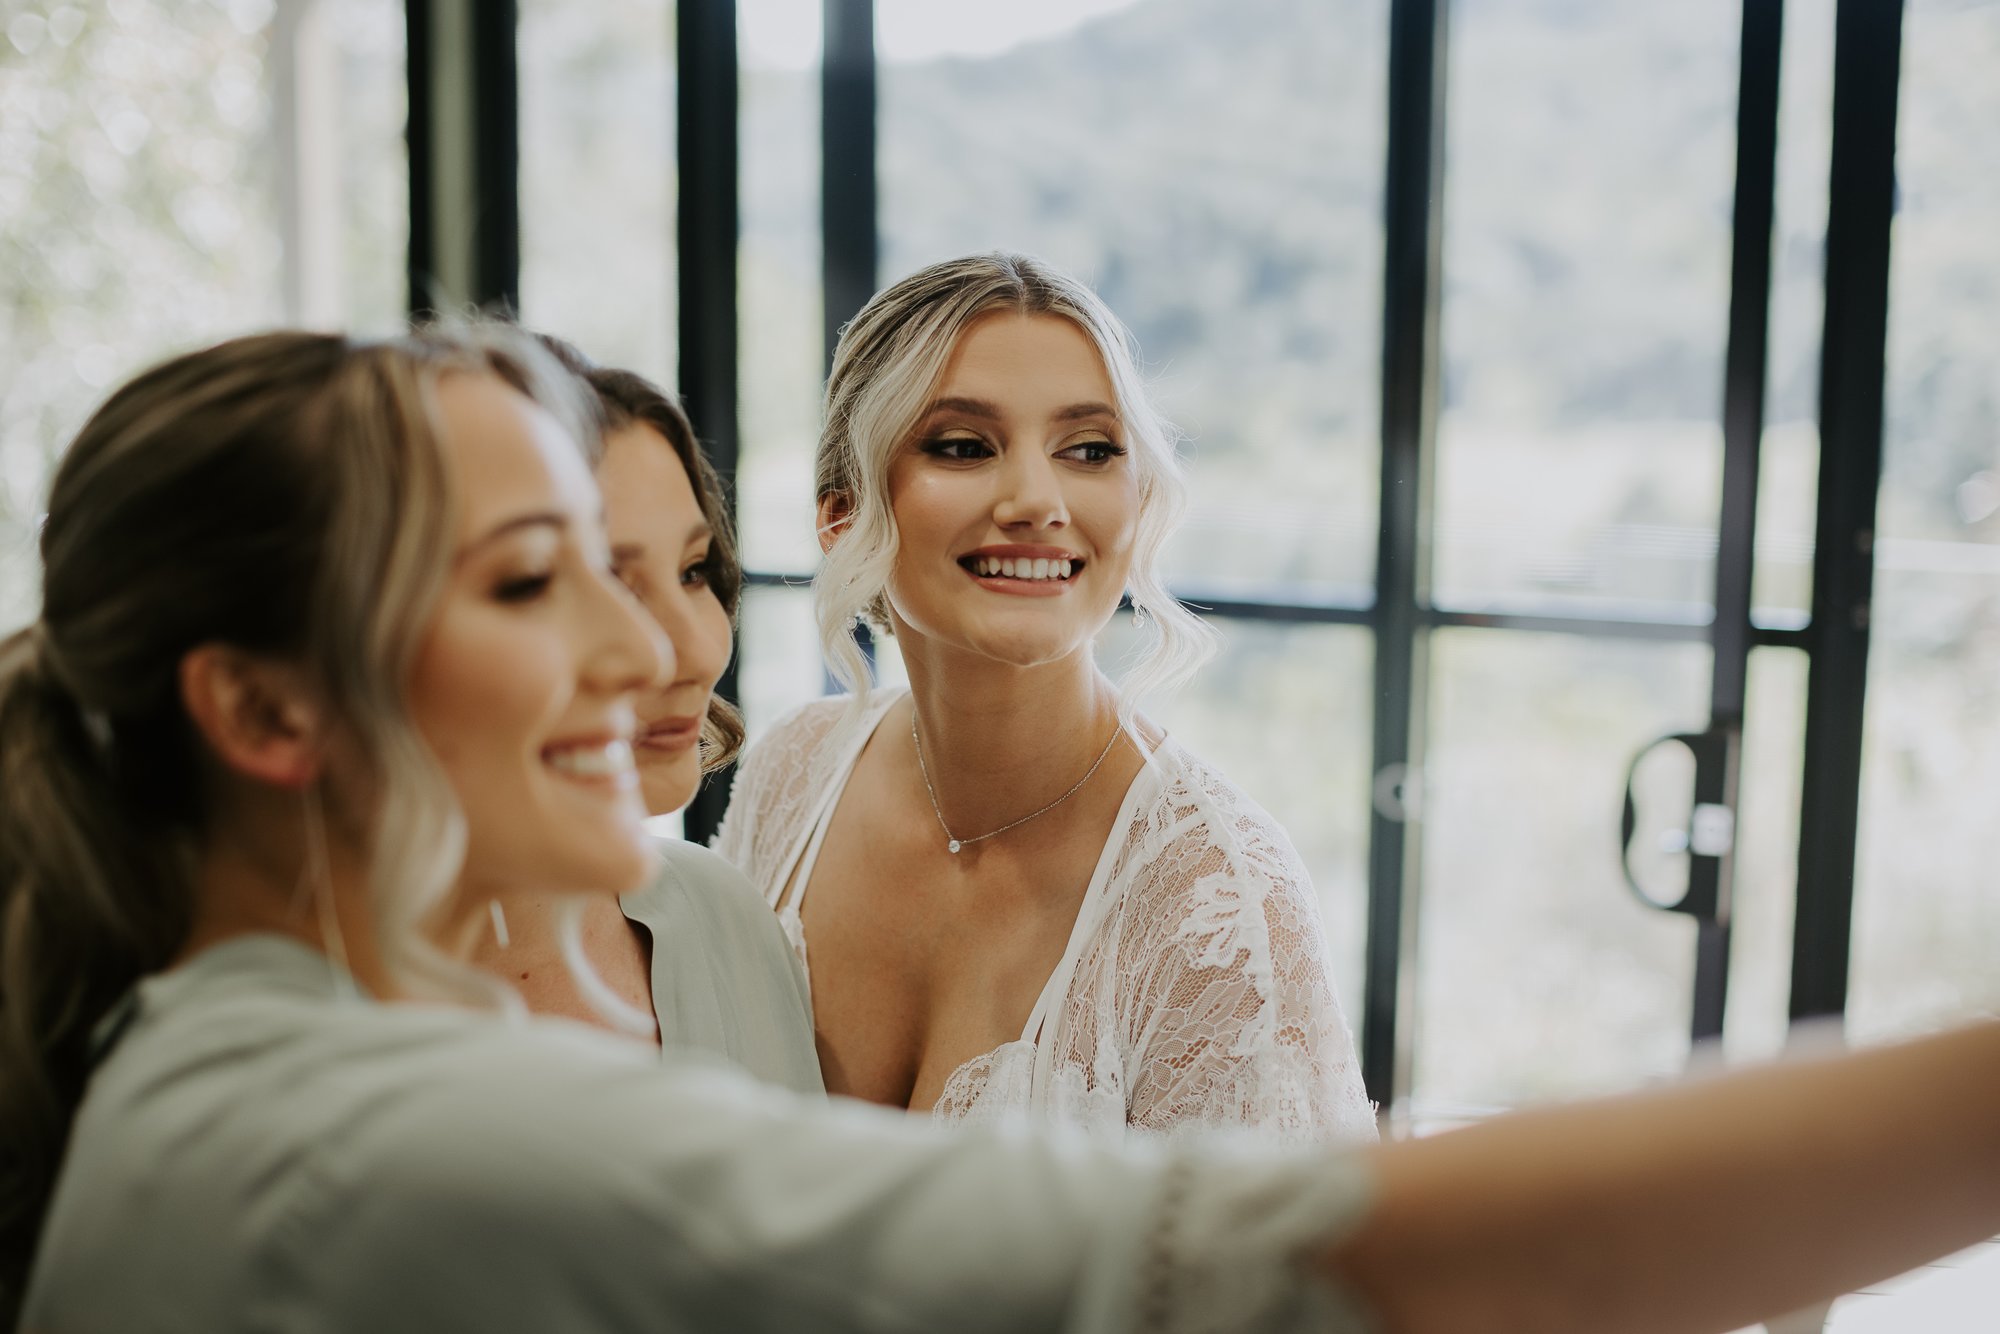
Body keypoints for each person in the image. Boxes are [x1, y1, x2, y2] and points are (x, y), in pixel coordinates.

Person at [6, 326, 1999, 1334]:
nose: (654, 649)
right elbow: (1326, 1256)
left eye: (666, 568)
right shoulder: (361, 1132)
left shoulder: (224, 1055)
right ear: (265, 709)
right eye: (536, 581)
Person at [715, 253, 1375, 1140]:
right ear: (843, 517)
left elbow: (1275, 1270)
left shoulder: (1218, 899)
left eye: (1089, 450)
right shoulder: (792, 772)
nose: (1037, 499)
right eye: (963, 446)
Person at [459, 340, 820, 1094]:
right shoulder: (285, 996)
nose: (688, 653)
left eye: (692, 572)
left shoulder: (727, 921)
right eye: (607, 584)